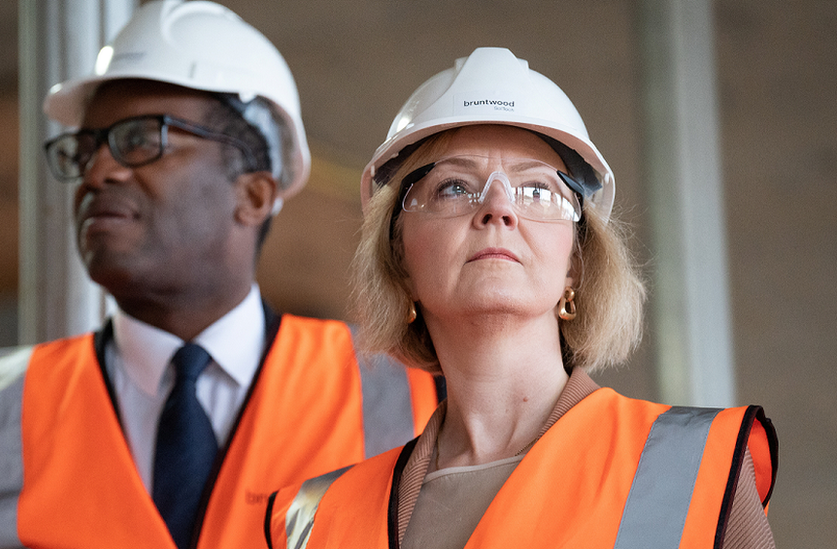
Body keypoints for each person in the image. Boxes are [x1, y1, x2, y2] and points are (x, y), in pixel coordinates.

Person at [0, 2, 440, 548]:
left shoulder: (412, 395)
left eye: (140, 139)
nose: (98, 173)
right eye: (86, 150)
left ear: (253, 194)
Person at [266, 47, 778, 549]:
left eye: (536, 190)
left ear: (576, 263)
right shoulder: (318, 520)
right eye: (452, 188)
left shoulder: (694, 474)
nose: (497, 208)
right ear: (399, 260)